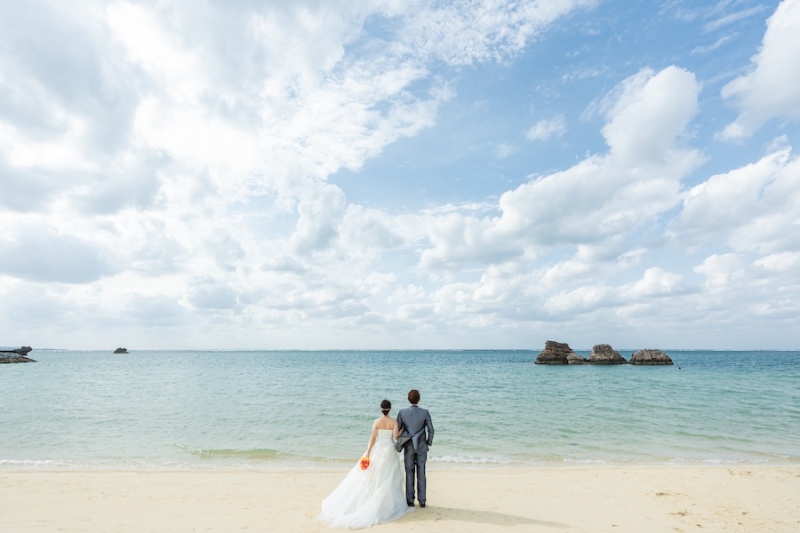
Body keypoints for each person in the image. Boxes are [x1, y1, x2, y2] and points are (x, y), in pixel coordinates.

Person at [320, 399, 412, 528]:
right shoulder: (393, 422)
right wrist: (402, 430)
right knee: (388, 477)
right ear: (390, 409)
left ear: (381, 409)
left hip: (379, 449)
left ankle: (374, 499)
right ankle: (387, 503)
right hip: (389, 451)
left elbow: (373, 438)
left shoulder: (376, 422)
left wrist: (368, 452)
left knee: (374, 476)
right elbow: (396, 437)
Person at [396, 389, 434, 508]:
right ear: (419, 399)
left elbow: (398, 430)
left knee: (409, 472)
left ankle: (410, 500)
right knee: (421, 473)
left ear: (408, 399)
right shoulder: (425, 412)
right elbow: (431, 430)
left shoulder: (402, 412)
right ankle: (422, 501)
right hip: (422, 446)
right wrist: (428, 442)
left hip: (409, 446)